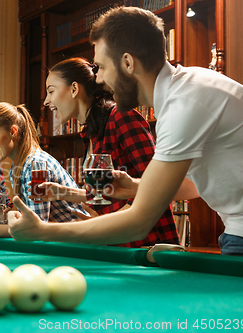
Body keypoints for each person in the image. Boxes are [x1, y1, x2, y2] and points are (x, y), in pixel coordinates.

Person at [8, 6, 243, 256]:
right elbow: (194, 186)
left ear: (127, 63)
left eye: (101, 67)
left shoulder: (184, 103)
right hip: (238, 232)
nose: (98, 79)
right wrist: (135, 186)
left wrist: (41, 231)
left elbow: (138, 222)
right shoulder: (184, 90)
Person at [36, 57, 179, 247]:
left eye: (51, 91)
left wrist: (97, 226)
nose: (46, 101)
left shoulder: (122, 117)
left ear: (74, 89)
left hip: (146, 246)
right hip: (114, 243)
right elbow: (108, 193)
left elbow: (156, 188)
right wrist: (61, 192)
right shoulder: (91, 133)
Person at [0, 102, 89, 243]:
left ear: (13, 131)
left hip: (80, 245)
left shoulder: (34, 165)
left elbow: (35, 227)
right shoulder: (18, 166)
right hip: (64, 243)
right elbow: (27, 218)